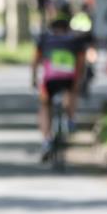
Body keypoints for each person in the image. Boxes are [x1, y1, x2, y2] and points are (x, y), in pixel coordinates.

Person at [32, 10, 86, 161]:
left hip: (49, 80)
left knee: (44, 106)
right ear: (67, 29)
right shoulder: (76, 41)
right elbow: (81, 63)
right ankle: (70, 119)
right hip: (69, 78)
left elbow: (35, 61)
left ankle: (46, 140)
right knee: (72, 92)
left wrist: (33, 78)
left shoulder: (44, 39)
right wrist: (79, 81)